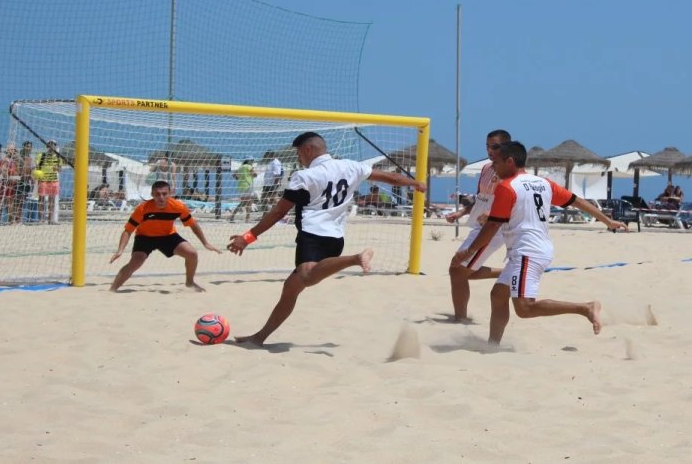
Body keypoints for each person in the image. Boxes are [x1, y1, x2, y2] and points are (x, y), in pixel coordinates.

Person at [227, 131, 427, 346]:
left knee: (308, 276)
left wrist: (247, 237)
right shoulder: (351, 166)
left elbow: (278, 212)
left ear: (308, 150)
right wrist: (414, 183)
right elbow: (392, 178)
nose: (298, 159)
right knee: (290, 289)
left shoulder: (304, 177)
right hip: (336, 238)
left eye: (298, 154)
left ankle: (356, 258)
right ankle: (259, 338)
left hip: (312, 235)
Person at [451, 141, 628, 344]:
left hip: (528, 251)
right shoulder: (542, 183)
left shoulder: (506, 187)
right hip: (534, 249)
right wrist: (607, 220)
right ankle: (493, 345)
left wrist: (468, 252)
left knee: (525, 308)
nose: (494, 169)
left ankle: (585, 308)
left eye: (496, 163)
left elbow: (491, 228)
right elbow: (576, 201)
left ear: (509, 161)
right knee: (498, 295)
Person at [444, 129, 511, 322]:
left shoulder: (509, 171)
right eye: (488, 146)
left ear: (506, 147)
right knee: (463, 272)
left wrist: (493, 214)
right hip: (479, 226)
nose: (490, 150)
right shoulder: (486, 169)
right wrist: (462, 212)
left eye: (495, 146)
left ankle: (460, 319)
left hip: (494, 229)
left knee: (457, 268)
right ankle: (508, 272)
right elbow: (481, 199)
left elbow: (513, 201)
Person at [109, 180, 221, 292]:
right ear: (152, 195)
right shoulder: (142, 209)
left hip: (168, 236)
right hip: (145, 237)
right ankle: (112, 289)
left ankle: (190, 283)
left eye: (164, 194)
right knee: (135, 263)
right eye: (157, 194)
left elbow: (193, 224)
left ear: (170, 194)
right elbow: (127, 231)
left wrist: (205, 243)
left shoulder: (178, 207)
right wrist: (120, 250)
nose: (161, 197)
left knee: (192, 254)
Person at [36, 139, 62, 224]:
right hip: (43, 179)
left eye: (53, 144)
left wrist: (57, 168)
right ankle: (41, 219)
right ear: (47, 146)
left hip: (53, 180)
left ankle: (50, 220)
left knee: (52, 200)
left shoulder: (58, 156)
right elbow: (37, 167)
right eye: (50, 144)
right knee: (41, 199)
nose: (52, 146)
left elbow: (60, 169)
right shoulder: (41, 155)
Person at [12, 141, 35, 224]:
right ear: (24, 147)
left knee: (22, 201)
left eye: (30, 147)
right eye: (27, 146)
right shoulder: (18, 156)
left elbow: (32, 170)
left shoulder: (31, 158)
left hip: (26, 181)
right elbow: (14, 168)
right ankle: (13, 219)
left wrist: (33, 180)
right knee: (16, 201)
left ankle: (19, 219)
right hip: (18, 181)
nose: (29, 148)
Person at [229, 156, 257, 223]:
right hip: (248, 185)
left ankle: (232, 216)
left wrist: (239, 179)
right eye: (252, 160)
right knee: (249, 202)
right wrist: (253, 174)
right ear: (249, 161)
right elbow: (255, 174)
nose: (253, 162)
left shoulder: (240, 167)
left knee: (242, 203)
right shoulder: (249, 166)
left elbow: (234, 175)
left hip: (241, 186)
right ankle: (247, 219)